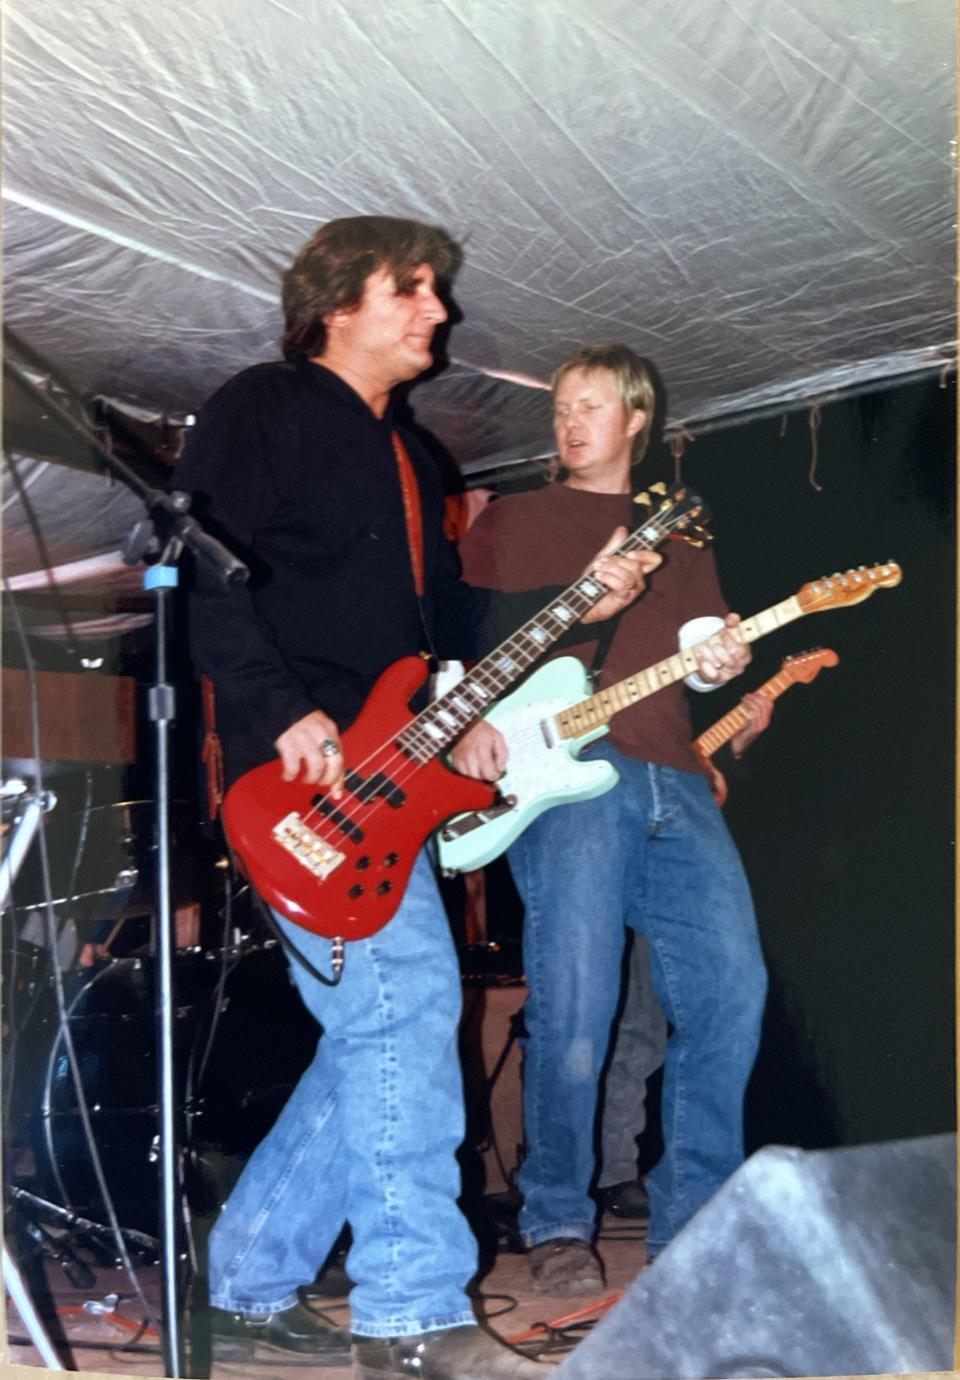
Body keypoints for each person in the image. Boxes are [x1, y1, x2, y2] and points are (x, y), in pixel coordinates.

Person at [174, 219, 653, 1378]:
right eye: (413, 290)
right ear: (337, 302)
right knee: (401, 1012)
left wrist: (465, 710)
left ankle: (244, 1276)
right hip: (298, 780)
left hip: (391, 780)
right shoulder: (265, 406)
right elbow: (200, 564)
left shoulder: (421, 462)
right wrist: (277, 708)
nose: (438, 312)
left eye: (437, 292)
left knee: (380, 1033)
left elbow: (430, 643)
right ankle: (410, 1311)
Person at [452, 343, 769, 1295]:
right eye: (560, 407)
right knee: (576, 1002)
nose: (569, 421)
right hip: (568, 771)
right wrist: (464, 719)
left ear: (638, 419)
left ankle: (697, 1220)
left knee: (731, 991)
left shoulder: (683, 534)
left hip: (674, 773)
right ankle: (555, 1215)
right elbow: (457, 645)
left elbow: (697, 646)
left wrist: (721, 661)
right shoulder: (514, 521)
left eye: (590, 404)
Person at [596, 690, 773, 1219]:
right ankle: (602, 1174)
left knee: (651, 1025)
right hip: (604, 824)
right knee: (604, 1019)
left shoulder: (693, 699)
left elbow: (712, 786)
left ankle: (634, 1178)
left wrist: (736, 752)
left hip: (672, 866)